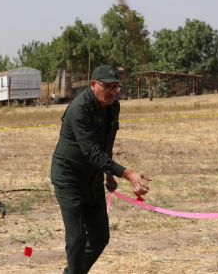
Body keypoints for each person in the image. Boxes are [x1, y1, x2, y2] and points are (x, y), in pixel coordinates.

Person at [51, 65, 151, 274]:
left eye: (116, 87)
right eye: (107, 87)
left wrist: (108, 175)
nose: (112, 91)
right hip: (69, 177)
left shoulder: (113, 106)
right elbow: (92, 152)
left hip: (93, 176)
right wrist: (128, 174)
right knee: (77, 239)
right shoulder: (79, 109)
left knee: (100, 236)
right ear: (93, 85)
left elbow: (106, 144)